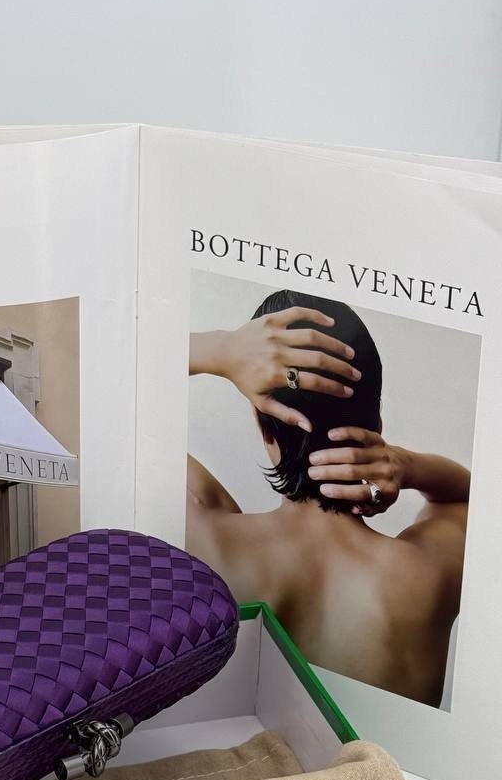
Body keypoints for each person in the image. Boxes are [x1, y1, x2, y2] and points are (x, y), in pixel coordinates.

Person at [187, 290, 469, 707]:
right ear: (377, 425)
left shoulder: (200, 539)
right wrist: (407, 465)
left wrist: (217, 348)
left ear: (264, 426)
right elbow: (470, 500)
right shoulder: (429, 576)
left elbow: (97, 377)